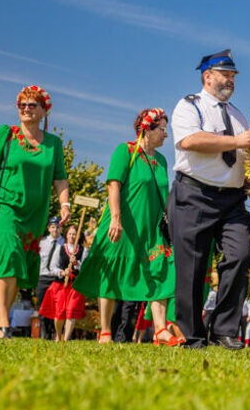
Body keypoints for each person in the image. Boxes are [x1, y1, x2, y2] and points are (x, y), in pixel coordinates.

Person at [169, 50, 250, 350]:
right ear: (207, 77)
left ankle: (224, 329)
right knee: (192, 269)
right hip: (194, 194)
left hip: (232, 200)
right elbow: (190, 141)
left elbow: (241, 161)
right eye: (226, 75)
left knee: (241, 254)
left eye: (234, 76)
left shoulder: (237, 115)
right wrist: (238, 141)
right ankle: (192, 334)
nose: (231, 80)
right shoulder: (189, 106)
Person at [73, 108, 181, 346]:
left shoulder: (161, 160)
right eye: (161, 130)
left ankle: (161, 330)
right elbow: (114, 184)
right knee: (112, 274)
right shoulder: (126, 151)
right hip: (122, 226)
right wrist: (115, 218)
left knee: (162, 271)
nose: (166, 135)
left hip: (152, 229)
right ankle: (105, 331)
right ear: (146, 129)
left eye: (166, 130)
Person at [0, 85, 70, 339]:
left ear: (43, 112)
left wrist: (65, 204)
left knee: (17, 262)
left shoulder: (53, 144)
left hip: (34, 214)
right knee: (8, 251)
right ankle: (3, 319)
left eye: (32, 105)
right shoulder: (7, 134)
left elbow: (60, 179)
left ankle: (0, 316)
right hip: (4, 207)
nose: (26, 109)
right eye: (22, 105)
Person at [39, 225, 87, 341]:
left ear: (78, 236)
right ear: (66, 235)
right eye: (70, 234)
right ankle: (58, 334)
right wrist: (62, 272)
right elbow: (53, 267)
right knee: (59, 313)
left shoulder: (83, 250)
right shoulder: (60, 248)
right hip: (61, 285)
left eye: (74, 234)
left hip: (75, 286)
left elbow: (85, 269)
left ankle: (65, 339)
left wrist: (76, 263)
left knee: (71, 311)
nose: (72, 236)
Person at [36, 218, 65, 340]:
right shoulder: (42, 242)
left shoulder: (65, 243)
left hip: (57, 278)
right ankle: (44, 333)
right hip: (43, 277)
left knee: (57, 308)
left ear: (61, 229)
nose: (55, 229)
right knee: (42, 307)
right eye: (53, 227)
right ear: (48, 228)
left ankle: (57, 334)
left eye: (58, 227)